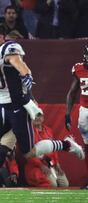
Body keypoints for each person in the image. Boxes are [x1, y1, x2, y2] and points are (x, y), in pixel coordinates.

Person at [0, 23, 84, 198]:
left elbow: (19, 64)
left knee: (29, 152)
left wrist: (27, 75)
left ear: (1, 37)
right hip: (1, 107)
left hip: (18, 108)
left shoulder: (9, 49)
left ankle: (66, 144)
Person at [65, 45, 88, 189]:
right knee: (87, 146)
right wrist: (67, 114)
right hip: (84, 111)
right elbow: (72, 92)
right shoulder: (79, 68)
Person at [26, 115, 69, 187]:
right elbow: (28, 154)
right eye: (34, 116)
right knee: (53, 185)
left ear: (43, 118)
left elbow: (54, 149)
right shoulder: (28, 133)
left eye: (39, 116)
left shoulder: (49, 130)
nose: (37, 118)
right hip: (36, 166)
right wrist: (41, 166)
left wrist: (57, 164)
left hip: (50, 164)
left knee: (65, 184)